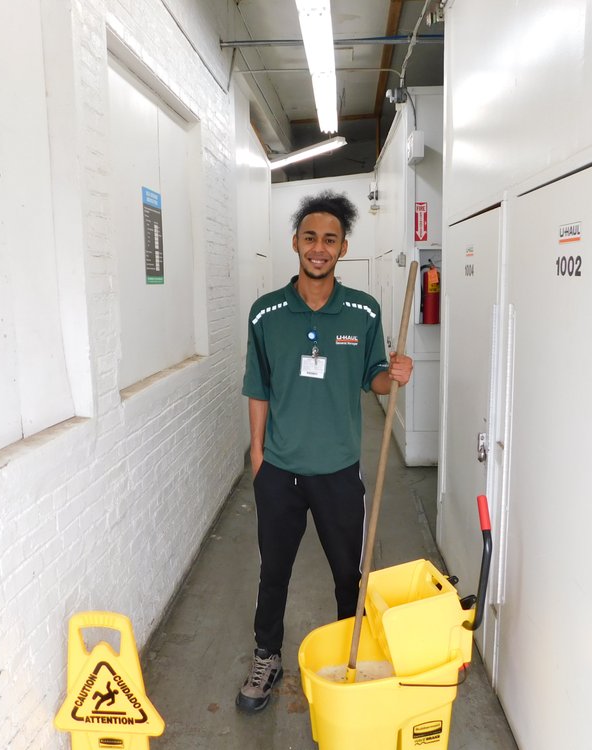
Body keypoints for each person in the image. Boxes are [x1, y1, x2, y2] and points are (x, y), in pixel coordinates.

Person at [236, 190, 413, 712]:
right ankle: (267, 656)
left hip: (338, 471)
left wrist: (394, 375)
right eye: (310, 237)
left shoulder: (363, 310)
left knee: (348, 576)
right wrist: (257, 456)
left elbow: (373, 379)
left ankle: (349, 659)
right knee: (273, 572)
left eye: (330, 240)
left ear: (343, 248)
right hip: (280, 471)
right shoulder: (266, 313)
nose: (319, 248)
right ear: (295, 242)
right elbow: (258, 388)